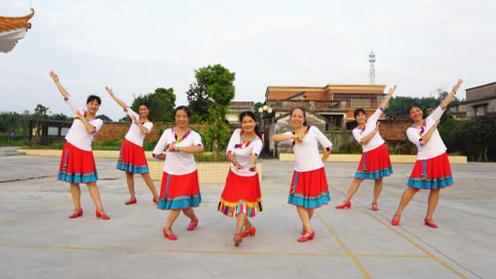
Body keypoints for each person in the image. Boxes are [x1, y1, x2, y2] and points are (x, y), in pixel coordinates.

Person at [391, 79, 463, 228]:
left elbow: (444, 104)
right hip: (425, 160)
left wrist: (454, 90)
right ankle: (398, 213)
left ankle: (429, 217)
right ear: (410, 115)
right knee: (413, 188)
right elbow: (423, 141)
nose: (416, 113)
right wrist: (433, 127)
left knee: (436, 188)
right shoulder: (411, 131)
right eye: (413, 112)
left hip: (440, 157)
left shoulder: (430, 118)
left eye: (418, 110)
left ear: (421, 111)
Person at [49, 71, 110, 220]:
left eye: (96, 104)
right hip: (70, 148)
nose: (94, 106)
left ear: (99, 107)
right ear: (87, 104)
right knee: (73, 181)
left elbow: (90, 130)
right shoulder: (78, 111)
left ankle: (100, 210)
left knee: (91, 182)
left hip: (85, 152)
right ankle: (77, 209)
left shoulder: (98, 121)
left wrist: (81, 117)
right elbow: (67, 97)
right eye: (91, 103)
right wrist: (57, 82)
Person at [272, 107, 332, 242]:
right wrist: (293, 136)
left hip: (315, 171)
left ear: (304, 119)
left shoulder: (313, 130)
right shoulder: (290, 134)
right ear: (290, 118)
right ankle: (309, 230)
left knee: (310, 205)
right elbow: (275, 138)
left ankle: (306, 226)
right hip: (299, 172)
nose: (297, 118)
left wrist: (322, 161)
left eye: (300, 116)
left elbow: (328, 146)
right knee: (299, 203)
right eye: (294, 116)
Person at [335, 85, 396, 211]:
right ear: (355, 118)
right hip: (368, 154)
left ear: (365, 116)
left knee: (379, 179)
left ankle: (374, 202)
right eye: (357, 115)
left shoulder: (372, 120)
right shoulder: (355, 131)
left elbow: (382, 107)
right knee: (358, 178)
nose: (360, 117)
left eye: (362, 115)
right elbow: (363, 141)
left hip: (380, 151)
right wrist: (374, 132)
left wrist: (389, 95)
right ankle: (346, 201)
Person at [152, 106, 204, 240]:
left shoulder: (194, 135)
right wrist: (161, 156)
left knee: (179, 203)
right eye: (178, 116)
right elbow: (156, 152)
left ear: (188, 118)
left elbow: (199, 148)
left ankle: (167, 228)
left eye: (184, 116)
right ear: (175, 118)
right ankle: (194, 219)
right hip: (171, 173)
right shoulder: (167, 133)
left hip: (188, 172)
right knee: (184, 205)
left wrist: (179, 148)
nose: (181, 119)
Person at [105, 86, 158, 205]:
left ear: (148, 111)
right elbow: (124, 105)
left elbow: (144, 131)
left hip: (137, 148)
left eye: (144, 109)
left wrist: (138, 123)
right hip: (127, 145)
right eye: (140, 109)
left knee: (145, 174)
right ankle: (132, 197)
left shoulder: (149, 123)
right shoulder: (134, 115)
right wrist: (113, 96)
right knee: (128, 173)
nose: (142, 111)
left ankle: (156, 196)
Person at [218, 111, 263, 247]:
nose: (247, 124)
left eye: (250, 121)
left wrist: (251, 165)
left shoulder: (257, 141)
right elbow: (229, 152)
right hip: (234, 175)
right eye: (245, 122)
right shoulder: (237, 133)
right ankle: (248, 227)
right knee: (236, 204)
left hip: (249, 177)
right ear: (241, 124)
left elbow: (253, 155)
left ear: (255, 123)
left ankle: (237, 233)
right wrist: (235, 162)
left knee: (242, 204)